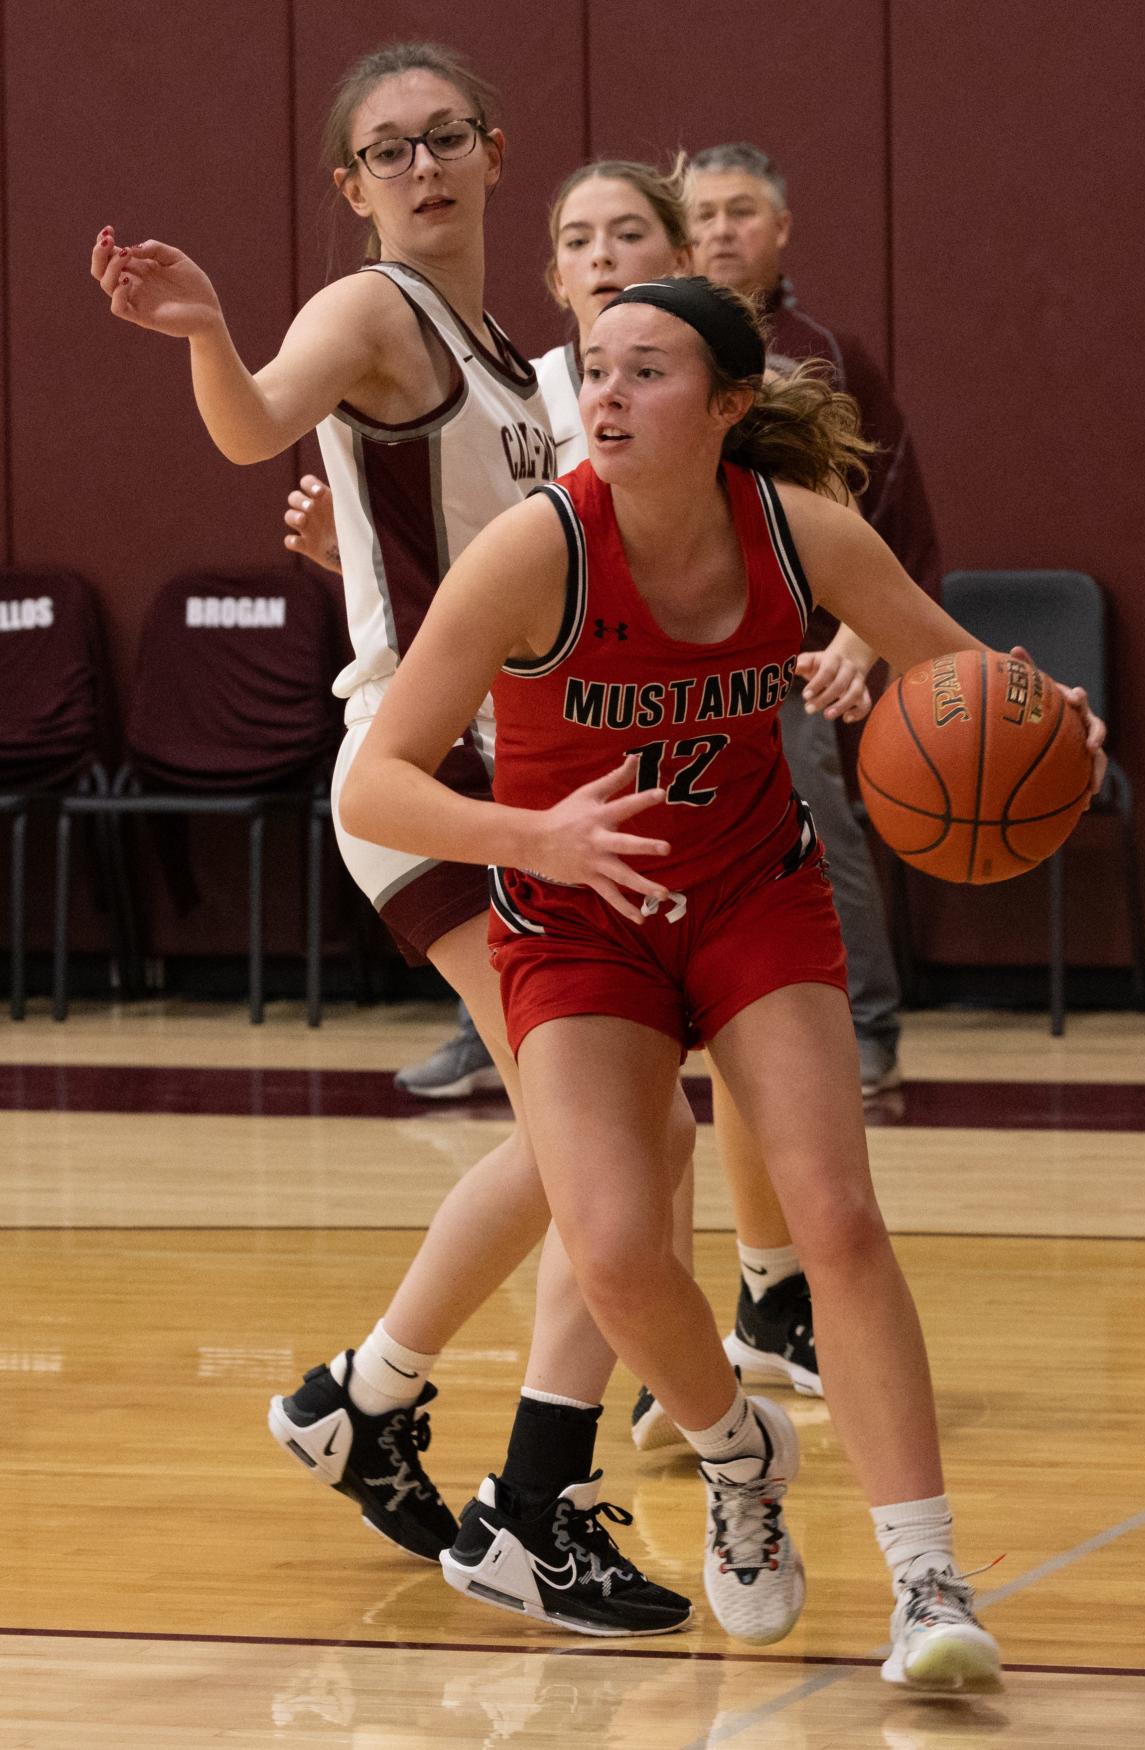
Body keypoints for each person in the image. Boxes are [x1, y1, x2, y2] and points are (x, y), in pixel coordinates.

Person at [336, 272, 1107, 1670]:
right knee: (620, 1252)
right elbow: (374, 786)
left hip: (752, 895)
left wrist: (1053, 726)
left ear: (729, 403)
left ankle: (929, 1580)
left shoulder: (800, 531)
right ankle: (737, 1457)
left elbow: (962, 682)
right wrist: (533, 833)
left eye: (647, 373)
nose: (609, 396)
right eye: (596, 370)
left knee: (836, 1215)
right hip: (578, 916)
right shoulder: (533, 551)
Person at [91, 41, 694, 1636]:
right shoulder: (373, 308)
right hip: (435, 779)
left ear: (496, 155)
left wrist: (350, 523)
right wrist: (213, 332)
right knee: (616, 1149)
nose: (421, 165)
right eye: (387, 149)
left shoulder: (509, 359)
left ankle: (370, 1396)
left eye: (445, 137)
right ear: (350, 187)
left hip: (515, 777)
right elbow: (256, 423)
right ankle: (530, 1499)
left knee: (618, 1141)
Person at [284, 160, 876, 1447]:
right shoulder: (556, 398)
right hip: (466, 775)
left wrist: (872, 644)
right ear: (552, 279)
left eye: (630, 235)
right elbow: (467, 565)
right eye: (578, 240)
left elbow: (839, 554)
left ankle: (719, 1331)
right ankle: (456, 1429)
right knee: (622, 1131)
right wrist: (366, 554)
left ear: (681, 259)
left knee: (698, 1094)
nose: (604, 257)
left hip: (615, 786)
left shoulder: (663, 402)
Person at [689, 140, 942, 1100]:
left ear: (781, 227)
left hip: (798, 656)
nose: (720, 228)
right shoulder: (653, 345)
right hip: (671, 651)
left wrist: (856, 644)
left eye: (741, 210)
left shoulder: (826, 356)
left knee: (817, 826)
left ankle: (870, 1028)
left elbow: (888, 526)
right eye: (703, 212)